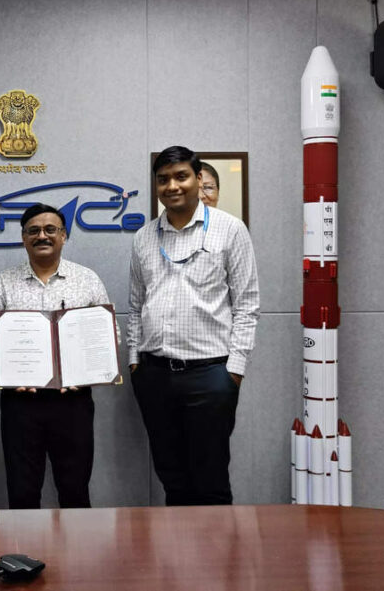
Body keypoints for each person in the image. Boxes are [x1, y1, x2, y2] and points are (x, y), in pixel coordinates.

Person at [127, 145, 259, 506]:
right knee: (172, 478)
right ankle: (176, 561)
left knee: (210, 480)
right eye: (163, 179)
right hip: (154, 375)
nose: (172, 185)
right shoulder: (143, 238)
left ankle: (216, 563)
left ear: (198, 179)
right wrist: (135, 363)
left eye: (181, 176)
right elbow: (136, 305)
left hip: (210, 376)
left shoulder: (230, 230)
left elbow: (247, 305)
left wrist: (234, 371)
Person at [0, 203, 111, 509]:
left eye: (51, 229)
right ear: (23, 238)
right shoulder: (4, 282)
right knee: (22, 493)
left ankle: (76, 556)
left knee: (75, 490)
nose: (42, 236)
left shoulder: (87, 279)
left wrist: (87, 374)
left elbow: (107, 335)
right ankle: (24, 557)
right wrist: (8, 374)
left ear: (64, 236)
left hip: (73, 401)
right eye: (33, 230)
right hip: (21, 402)